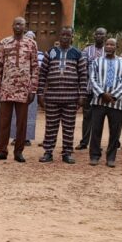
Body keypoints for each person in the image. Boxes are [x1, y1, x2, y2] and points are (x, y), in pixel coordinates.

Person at [0, 17, 39, 163]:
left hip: (24, 90)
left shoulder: (31, 43)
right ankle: (2, 150)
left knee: (21, 123)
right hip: (6, 88)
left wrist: (33, 89)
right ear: (12, 26)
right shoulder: (4, 43)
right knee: (3, 121)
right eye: (16, 24)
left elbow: (35, 68)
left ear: (25, 27)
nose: (18, 27)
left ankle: (18, 152)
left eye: (21, 24)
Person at [38, 26, 87, 164]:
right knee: (51, 126)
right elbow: (42, 74)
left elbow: (83, 76)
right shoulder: (50, 53)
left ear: (72, 37)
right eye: (63, 34)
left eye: (68, 35)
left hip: (71, 98)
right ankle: (48, 152)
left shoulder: (78, 54)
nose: (65, 37)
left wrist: (82, 95)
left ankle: (67, 153)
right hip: (52, 97)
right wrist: (40, 93)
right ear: (59, 36)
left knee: (69, 126)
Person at [88, 37, 122, 167]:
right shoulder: (97, 61)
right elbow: (92, 78)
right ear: (105, 47)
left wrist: (114, 96)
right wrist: (102, 93)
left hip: (116, 102)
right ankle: (94, 156)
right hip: (98, 101)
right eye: (107, 44)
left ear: (116, 47)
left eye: (112, 44)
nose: (109, 46)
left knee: (115, 131)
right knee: (96, 130)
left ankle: (111, 157)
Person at [76, 27, 107, 149]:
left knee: (99, 118)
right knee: (87, 116)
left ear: (105, 36)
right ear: (94, 36)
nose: (99, 36)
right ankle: (84, 142)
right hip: (89, 89)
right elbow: (82, 69)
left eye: (102, 34)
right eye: (97, 34)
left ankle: (96, 144)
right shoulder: (86, 50)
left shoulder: (108, 51)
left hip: (103, 92)